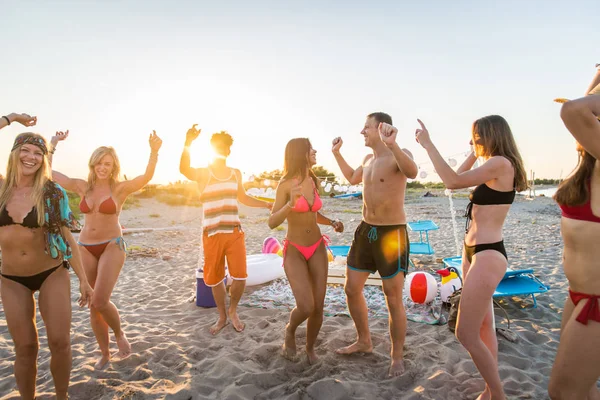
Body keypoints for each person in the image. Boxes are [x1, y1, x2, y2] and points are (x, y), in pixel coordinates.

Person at [415, 115, 527, 400]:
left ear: (492, 135)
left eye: (477, 137)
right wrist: (472, 151)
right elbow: (455, 184)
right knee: (484, 326)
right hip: (473, 253)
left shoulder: (501, 164)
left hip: (488, 254)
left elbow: (451, 180)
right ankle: (491, 390)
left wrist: (428, 145)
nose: (473, 141)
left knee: (465, 333)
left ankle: (498, 394)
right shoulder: (492, 164)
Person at [49, 129, 163, 369]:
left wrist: (154, 152)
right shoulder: (82, 187)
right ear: (93, 164)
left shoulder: (119, 189)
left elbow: (145, 178)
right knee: (94, 305)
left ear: (114, 166)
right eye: (99, 162)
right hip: (85, 248)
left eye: (108, 164)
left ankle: (119, 334)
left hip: (112, 245)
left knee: (100, 300)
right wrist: (53, 144)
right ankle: (104, 353)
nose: (103, 167)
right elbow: (50, 174)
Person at [0, 114, 93, 400]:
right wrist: (11, 118)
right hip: (11, 278)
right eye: (25, 150)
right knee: (25, 347)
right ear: (14, 153)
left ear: (44, 159)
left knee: (60, 342)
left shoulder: (51, 192)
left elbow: (67, 239)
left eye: (38, 153)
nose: (31, 157)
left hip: (51, 271)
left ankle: (62, 396)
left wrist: (84, 281)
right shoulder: (1, 188)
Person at [331, 112, 418, 376]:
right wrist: (336, 154)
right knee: (351, 288)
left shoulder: (399, 153)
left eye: (366, 127)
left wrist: (392, 144)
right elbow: (351, 178)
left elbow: (412, 173)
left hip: (392, 234)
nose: (362, 132)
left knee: (392, 298)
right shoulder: (368, 159)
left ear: (380, 128)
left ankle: (397, 356)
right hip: (365, 230)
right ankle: (364, 341)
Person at [179, 125, 272, 334]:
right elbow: (184, 169)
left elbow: (243, 197)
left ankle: (233, 311)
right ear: (212, 148)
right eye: (218, 146)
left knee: (240, 276)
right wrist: (188, 142)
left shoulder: (235, 173)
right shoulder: (204, 173)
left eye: (225, 147)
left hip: (234, 231)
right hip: (211, 233)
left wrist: (265, 204)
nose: (222, 149)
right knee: (215, 278)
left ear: (229, 151)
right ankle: (221, 315)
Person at [548, 66, 600, 400]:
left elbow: (574, 110)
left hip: (597, 302)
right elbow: (581, 108)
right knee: (582, 388)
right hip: (577, 294)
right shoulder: (589, 169)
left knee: (563, 391)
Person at [268, 138, 344, 363]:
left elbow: (313, 214)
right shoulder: (285, 185)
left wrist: (332, 222)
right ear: (300, 153)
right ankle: (290, 330)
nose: (315, 151)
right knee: (306, 305)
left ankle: (310, 348)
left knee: (319, 307)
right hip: (295, 250)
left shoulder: (313, 180)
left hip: (318, 247)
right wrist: (290, 204)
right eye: (310, 148)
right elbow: (272, 222)